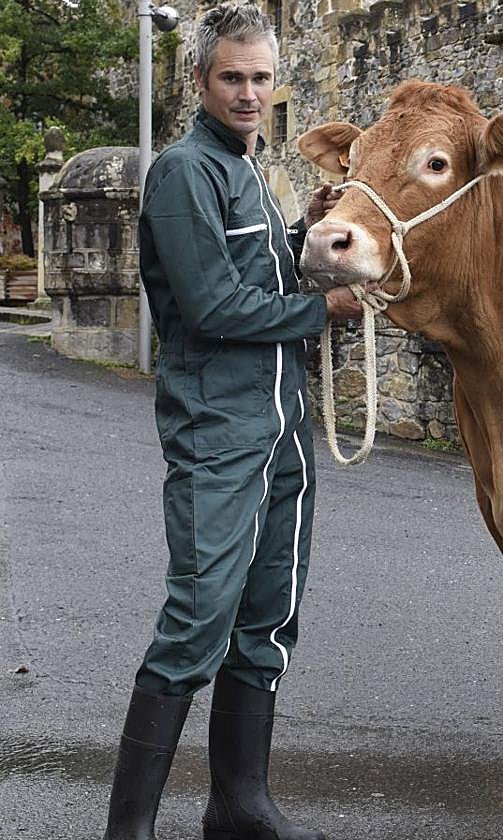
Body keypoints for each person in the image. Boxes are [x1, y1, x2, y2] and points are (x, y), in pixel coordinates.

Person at [102, 5, 367, 840]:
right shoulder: (185, 171)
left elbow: (250, 263)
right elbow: (213, 304)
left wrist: (305, 229)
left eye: (260, 78)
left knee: (268, 617)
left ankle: (239, 806)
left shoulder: (252, 168)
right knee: (198, 619)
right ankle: (128, 828)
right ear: (200, 82)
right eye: (232, 78)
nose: (249, 94)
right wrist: (321, 306)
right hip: (218, 425)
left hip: (284, 421)